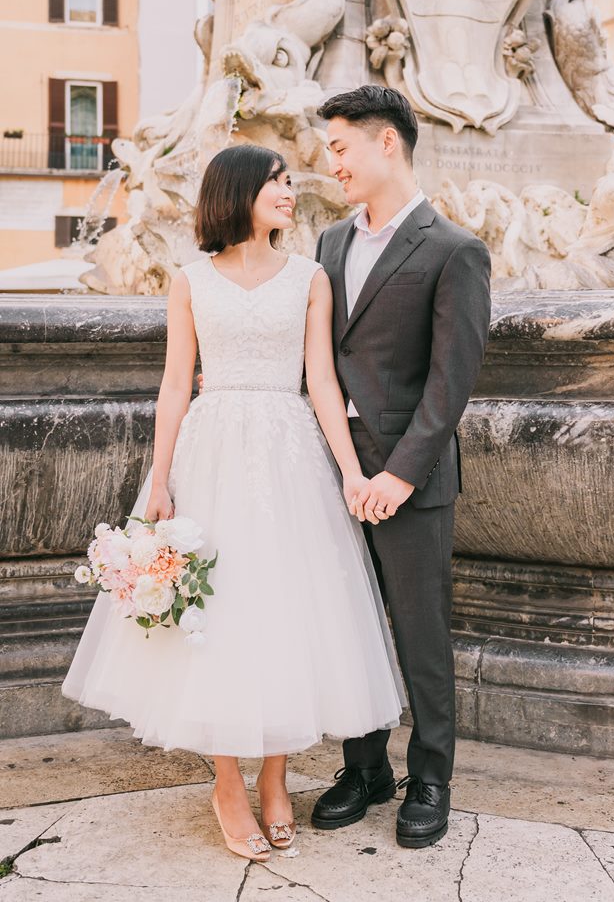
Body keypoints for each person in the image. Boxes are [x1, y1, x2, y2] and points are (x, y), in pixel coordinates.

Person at [62, 144, 405, 864]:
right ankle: (226, 781)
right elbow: (173, 384)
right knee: (214, 614)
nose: (290, 190)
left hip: (289, 453)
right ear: (239, 191)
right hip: (210, 450)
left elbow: (320, 383)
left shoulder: (311, 278)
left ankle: (276, 775)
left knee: (284, 608)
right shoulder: (189, 281)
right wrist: (157, 479)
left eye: (287, 181)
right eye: (277, 181)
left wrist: (348, 471)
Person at [311, 85, 492, 849]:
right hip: (332, 471)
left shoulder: (455, 249)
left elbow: (452, 381)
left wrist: (400, 474)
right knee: (350, 630)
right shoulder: (326, 243)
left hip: (409, 482)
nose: (332, 162)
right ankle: (365, 768)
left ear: (388, 143)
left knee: (420, 634)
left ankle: (431, 774)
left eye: (342, 146)